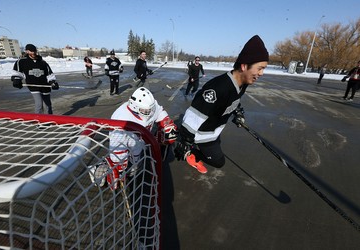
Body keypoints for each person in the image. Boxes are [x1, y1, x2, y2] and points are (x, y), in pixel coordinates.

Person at [174, 35, 269, 174]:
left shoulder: (242, 83)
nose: (262, 73)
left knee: (217, 146)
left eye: (264, 69)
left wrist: (237, 112)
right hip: (203, 134)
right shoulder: (218, 88)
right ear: (244, 66)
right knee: (218, 162)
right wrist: (185, 142)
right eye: (260, 68)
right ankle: (191, 154)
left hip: (215, 130)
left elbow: (233, 100)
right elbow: (195, 115)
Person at [90, 87, 177, 188]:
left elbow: (159, 111)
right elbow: (117, 147)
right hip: (126, 147)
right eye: (145, 111)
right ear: (134, 106)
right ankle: (98, 168)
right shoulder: (120, 118)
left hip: (139, 143)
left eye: (151, 109)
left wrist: (165, 122)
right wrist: (119, 166)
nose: (150, 113)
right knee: (125, 171)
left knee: (135, 168)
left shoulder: (149, 107)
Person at [11, 44, 59, 114]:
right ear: (27, 51)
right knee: (39, 104)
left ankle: (50, 119)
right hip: (33, 86)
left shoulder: (42, 62)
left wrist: (53, 82)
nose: (33, 53)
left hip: (45, 86)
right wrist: (16, 79)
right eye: (31, 51)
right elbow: (17, 72)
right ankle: (39, 121)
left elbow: (49, 73)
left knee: (48, 105)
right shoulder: (22, 61)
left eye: (34, 51)